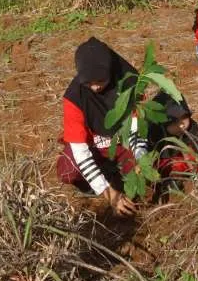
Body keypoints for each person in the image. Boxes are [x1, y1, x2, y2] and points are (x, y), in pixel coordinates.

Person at [57, 38, 148, 218]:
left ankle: (118, 174)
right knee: (69, 169)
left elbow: (137, 130)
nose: (96, 87)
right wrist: (109, 193)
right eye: (89, 83)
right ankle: (101, 180)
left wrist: (140, 160)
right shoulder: (75, 97)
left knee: (144, 177)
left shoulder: (130, 82)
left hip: (122, 142)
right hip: (95, 147)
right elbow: (81, 151)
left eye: (101, 80)